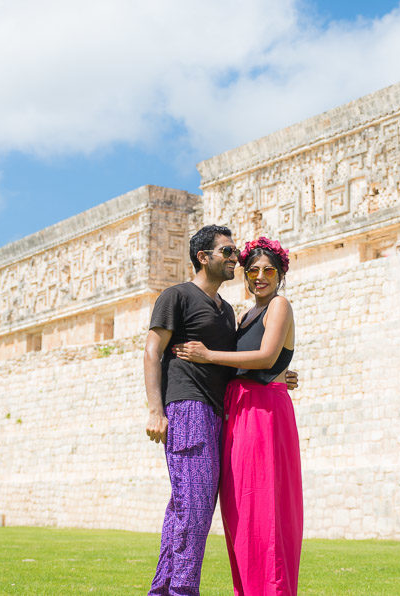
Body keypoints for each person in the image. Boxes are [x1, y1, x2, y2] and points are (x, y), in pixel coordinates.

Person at [144, 226, 298, 596]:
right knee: (194, 508)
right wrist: (155, 410)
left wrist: (277, 372)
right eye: (229, 253)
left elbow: (245, 359)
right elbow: (152, 351)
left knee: (188, 507)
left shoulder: (229, 312)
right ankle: (182, 589)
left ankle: (163, 590)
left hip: (223, 415)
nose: (236, 260)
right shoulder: (176, 295)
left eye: (236, 256)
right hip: (188, 408)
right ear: (203, 257)